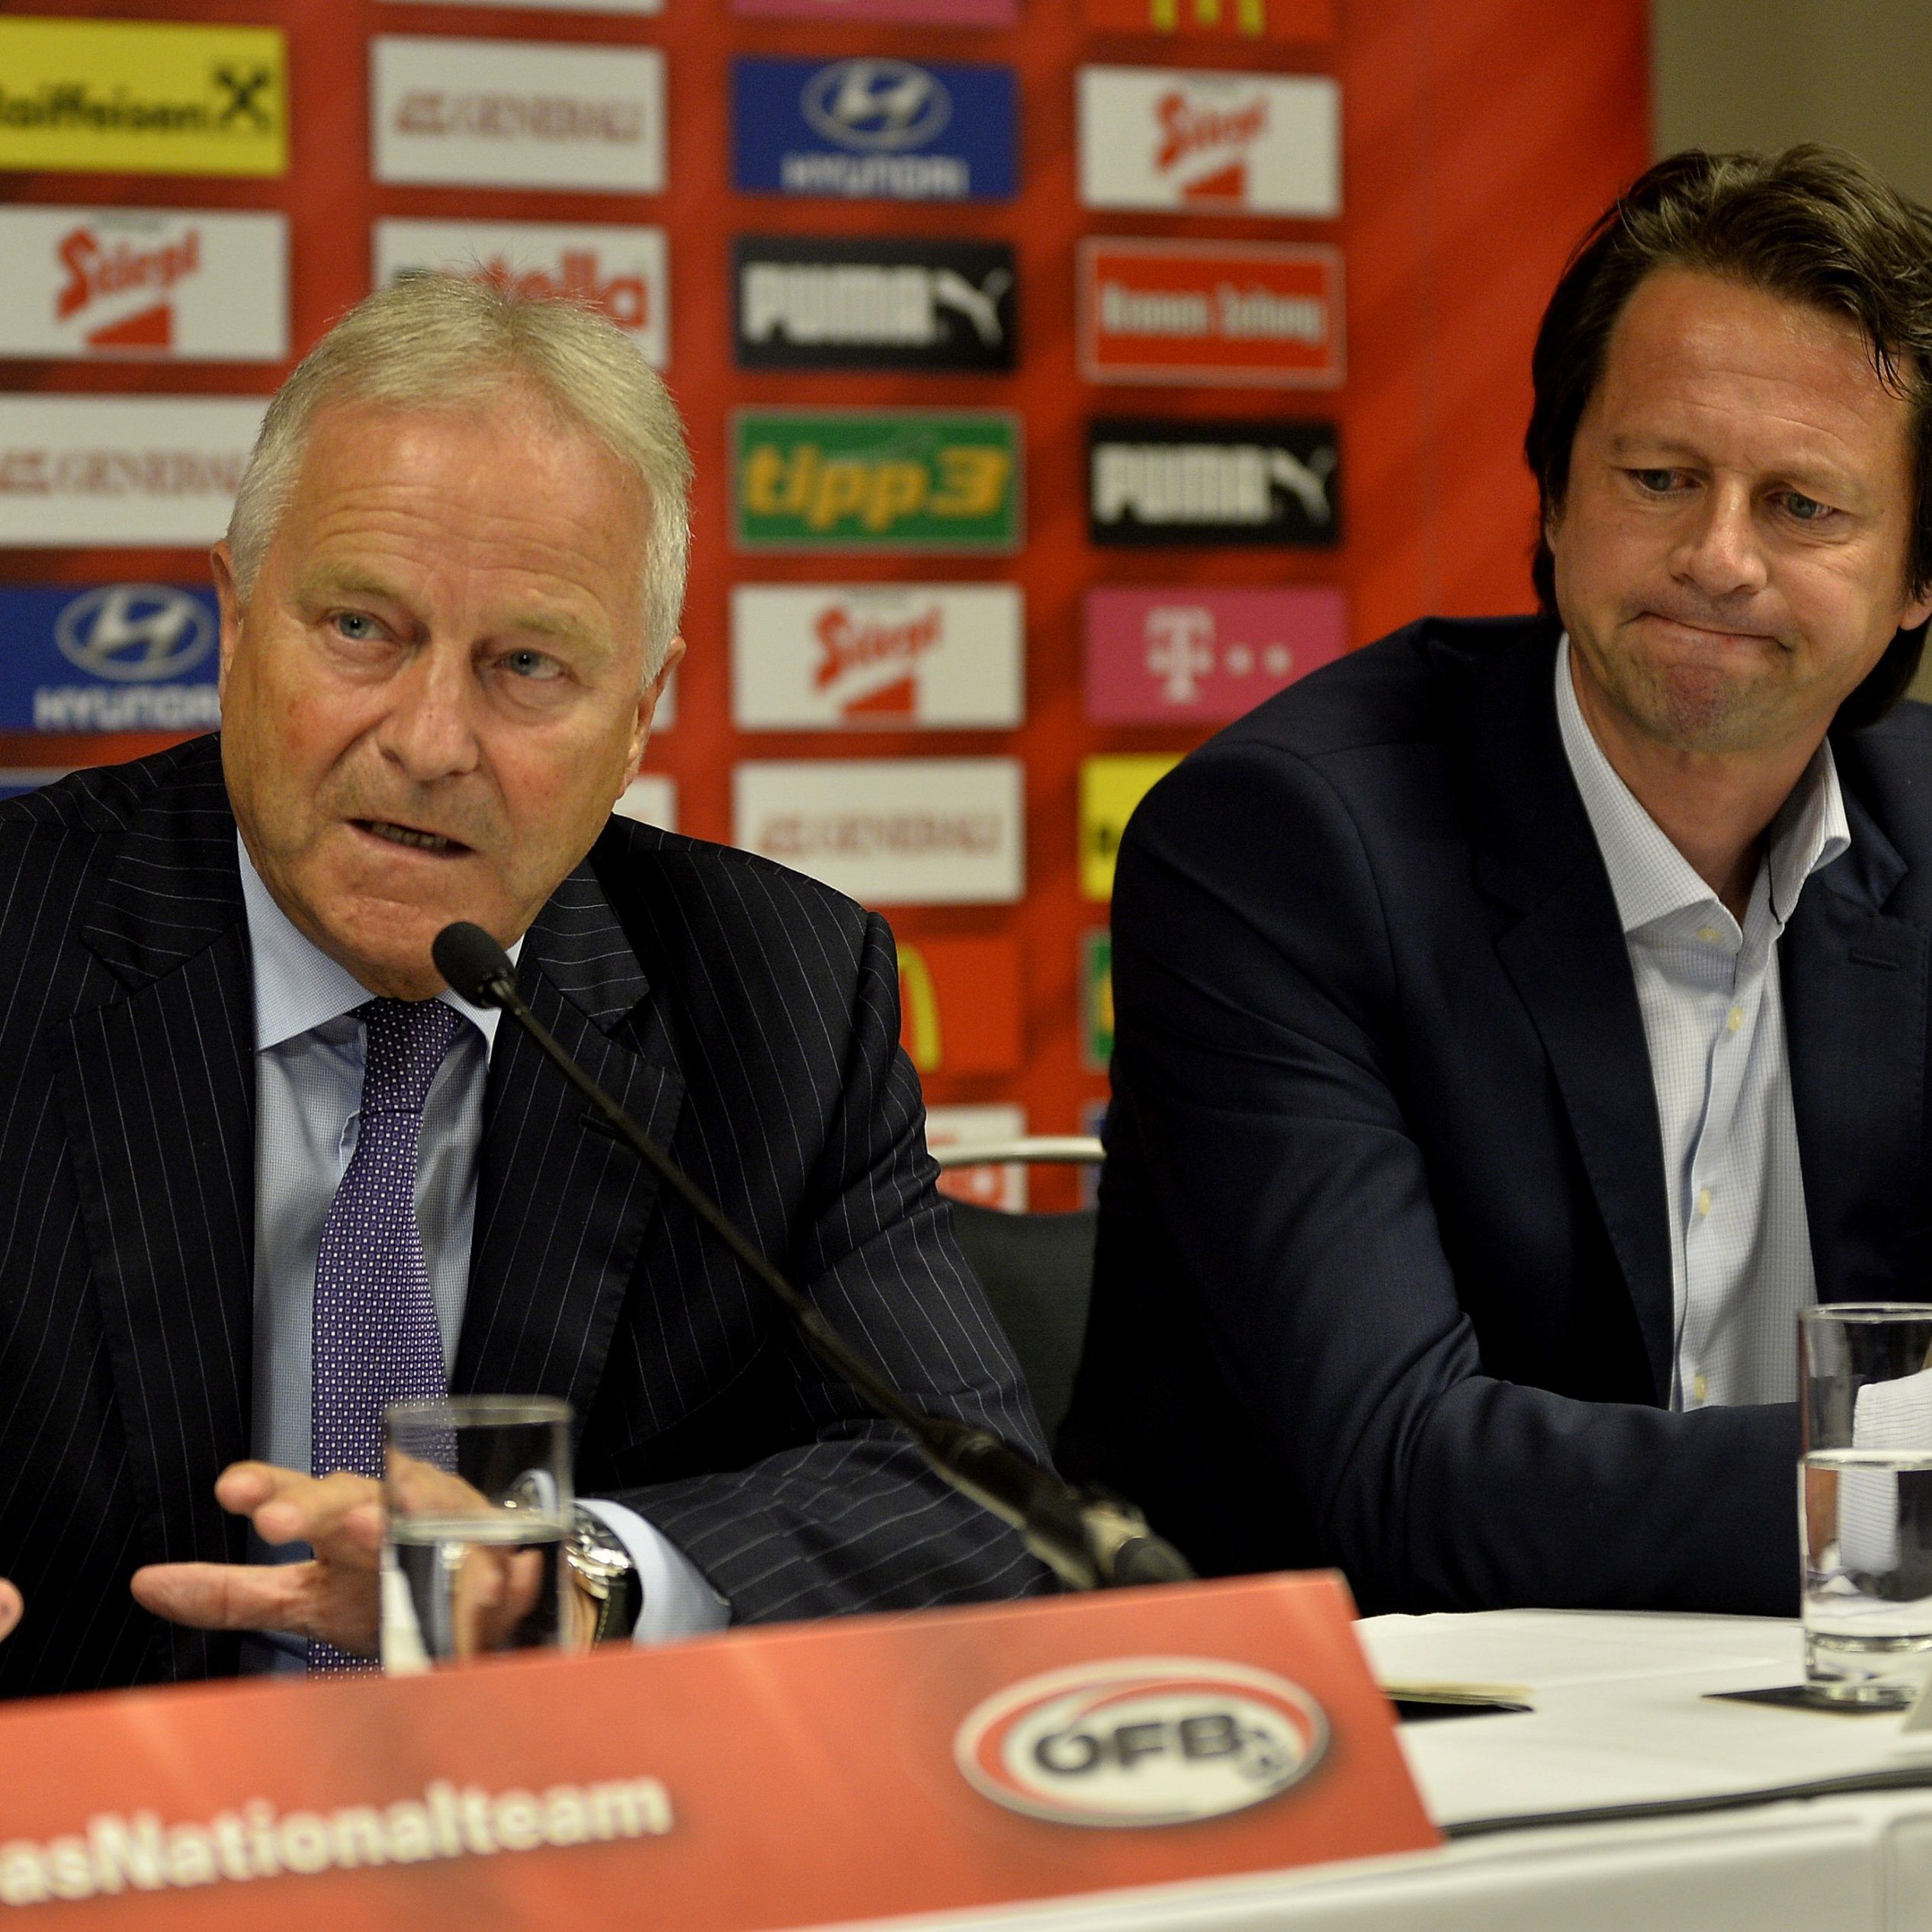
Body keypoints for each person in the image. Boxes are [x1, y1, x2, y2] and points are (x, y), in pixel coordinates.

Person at [0, 274, 1049, 1698]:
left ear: (638, 718)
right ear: (238, 622)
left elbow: (970, 1507)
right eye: (361, 628)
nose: (431, 740)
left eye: (527, 665)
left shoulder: (781, 998)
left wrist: (571, 1579)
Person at [1060, 145, 1932, 1616]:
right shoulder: (1285, 850)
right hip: (1369, 1745)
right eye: (1657, 478)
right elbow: (1402, 1477)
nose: (1717, 557)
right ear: (1550, 497)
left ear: (1915, 578)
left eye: (1801, 507)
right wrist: (1890, 1495)